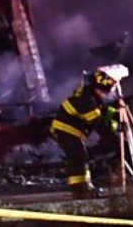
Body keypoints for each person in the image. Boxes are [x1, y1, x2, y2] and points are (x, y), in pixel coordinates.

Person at [51, 69, 120, 199]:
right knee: (77, 158)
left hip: (70, 131)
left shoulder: (91, 95)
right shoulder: (88, 100)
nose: (109, 93)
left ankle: (84, 186)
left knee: (80, 157)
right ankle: (79, 190)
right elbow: (98, 123)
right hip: (67, 130)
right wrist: (114, 129)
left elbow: (103, 111)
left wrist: (115, 114)